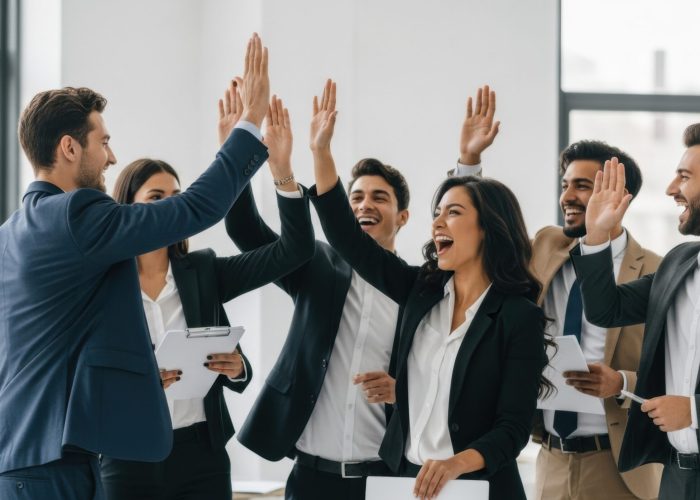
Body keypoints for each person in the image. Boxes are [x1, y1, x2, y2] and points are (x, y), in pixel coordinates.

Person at [0, 34, 270, 499]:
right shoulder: (76, 216)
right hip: (52, 467)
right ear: (69, 148)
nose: (111, 156)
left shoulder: (11, 232)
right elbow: (195, 209)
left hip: (28, 455)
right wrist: (250, 123)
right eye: (102, 141)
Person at [308, 80, 550, 500]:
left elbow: (513, 430)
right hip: (405, 484)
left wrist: (458, 462)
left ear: (488, 230)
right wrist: (320, 153)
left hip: (478, 489)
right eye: (435, 213)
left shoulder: (518, 315)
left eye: (452, 214)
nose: (437, 222)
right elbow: (348, 239)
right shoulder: (421, 291)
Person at [100, 94, 314, 500]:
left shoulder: (204, 270)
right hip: (127, 455)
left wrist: (282, 173)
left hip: (201, 455)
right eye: (156, 198)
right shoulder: (102, 283)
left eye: (177, 196)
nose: (172, 206)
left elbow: (294, 251)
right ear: (128, 207)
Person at [454, 90, 662, 499]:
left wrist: (621, 382)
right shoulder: (547, 246)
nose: (567, 196)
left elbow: (680, 374)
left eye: (582, 186)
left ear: (619, 197)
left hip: (620, 469)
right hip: (549, 460)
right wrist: (470, 163)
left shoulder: (656, 270)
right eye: (565, 185)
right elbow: (483, 239)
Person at [224, 80, 408, 500]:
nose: (364, 205)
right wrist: (238, 158)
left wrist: (404, 390)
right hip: (310, 479)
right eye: (356, 196)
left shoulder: (417, 289)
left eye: (379, 198)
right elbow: (246, 230)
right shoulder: (319, 266)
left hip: (385, 477)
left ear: (403, 216)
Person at [571, 124, 700, 500]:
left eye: (685, 176)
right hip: (676, 476)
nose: (671, 188)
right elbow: (605, 309)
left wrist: (695, 411)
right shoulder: (680, 263)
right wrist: (596, 236)